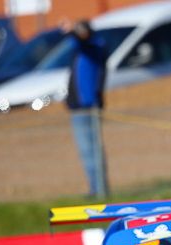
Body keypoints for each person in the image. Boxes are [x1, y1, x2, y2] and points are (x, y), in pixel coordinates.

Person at [65, 20, 108, 197]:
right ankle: (95, 188)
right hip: (79, 108)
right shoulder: (83, 49)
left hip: (88, 108)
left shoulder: (93, 48)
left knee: (92, 151)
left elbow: (80, 40)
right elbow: (75, 41)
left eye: (81, 30)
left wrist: (73, 31)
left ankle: (99, 190)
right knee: (86, 151)